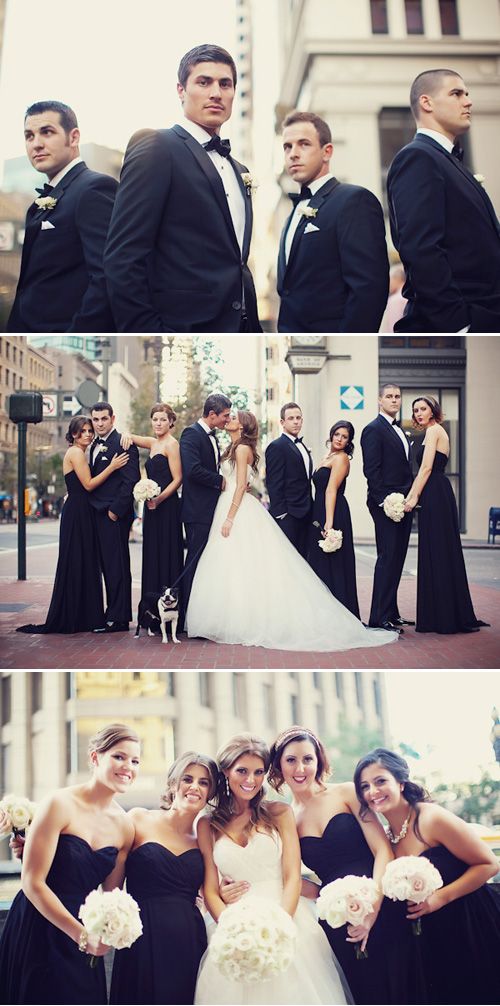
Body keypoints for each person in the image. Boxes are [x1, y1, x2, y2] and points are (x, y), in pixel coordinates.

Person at [187, 409, 398, 651]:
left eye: (233, 418)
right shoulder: (233, 448)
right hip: (238, 507)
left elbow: (246, 484)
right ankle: (227, 615)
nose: (229, 420)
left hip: (243, 510)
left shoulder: (244, 449)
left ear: (243, 426)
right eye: (292, 418)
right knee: (235, 564)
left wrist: (230, 517)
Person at [104, 43, 261, 332]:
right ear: (181, 90)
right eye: (204, 82)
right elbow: (123, 256)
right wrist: (149, 331)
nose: (216, 93)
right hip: (182, 328)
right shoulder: (157, 146)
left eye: (225, 84)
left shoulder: (241, 171)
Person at [194, 733, 350, 1005]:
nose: (250, 780)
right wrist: (231, 928)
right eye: (242, 771)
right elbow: (209, 888)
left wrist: (280, 925)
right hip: (233, 923)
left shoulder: (279, 813)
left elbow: (292, 877)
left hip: (287, 917)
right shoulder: (207, 824)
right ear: (226, 772)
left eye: (258, 772)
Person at [0, 723, 140, 1004]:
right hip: (38, 923)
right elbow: (32, 881)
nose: (128, 766)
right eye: (119, 756)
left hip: (84, 934)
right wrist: (81, 935)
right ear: (94, 757)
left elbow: (111, 897)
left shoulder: (125, 826)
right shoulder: (59, 803)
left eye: (135, 760)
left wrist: (104, 932)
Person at [267, 727, 405, 1005]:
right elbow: (291, 877)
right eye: (291, 760)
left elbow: (382, 851)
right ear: (279, 766)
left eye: (308, 758)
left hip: (382, 904)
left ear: (319, 760)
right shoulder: (286, 818)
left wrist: (371, 909)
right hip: (338, 919)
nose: (300, 768)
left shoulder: (346, 793)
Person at [354, 748, 500, 1005]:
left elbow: (489, 864)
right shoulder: (386, 836)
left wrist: (439, 898)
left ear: (400, 782)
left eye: (380, 781)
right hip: (433, 938)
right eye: (365, 786)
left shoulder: (430, 819)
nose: (372, 792)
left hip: (469, 922)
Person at [387, 68, 500, 333]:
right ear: (427, 103)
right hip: (459, 323)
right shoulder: (418, 158)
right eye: (456, 93)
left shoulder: (449, 161)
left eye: (467, 94)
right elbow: (421, 248)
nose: (468, 101)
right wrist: (459, 324)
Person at [110, 751, 218, 1005]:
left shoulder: (205, 837)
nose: (195, 787)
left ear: (211, 792)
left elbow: (213, 888)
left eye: (204, 782)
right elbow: (110, 883)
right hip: (140, 938)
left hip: (188, 940)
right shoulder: (138, 819)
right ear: (173, 784)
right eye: (188, 779)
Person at [7, 100, 117, 333]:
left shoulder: (94, 188)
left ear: (74, 137)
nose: (36, 144)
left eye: (47, 132)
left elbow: (107, 276)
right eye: (29, 136)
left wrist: (75, 333)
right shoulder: (46, 197)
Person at [277, 111, 389, 332]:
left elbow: (368, 289)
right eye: (287, 147)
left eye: (304, 144)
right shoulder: (292, 214)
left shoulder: (354, 201)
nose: (293, 154)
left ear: (327, 151)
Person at [16, 417, 129, 634]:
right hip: (77, 514)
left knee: (85, 562)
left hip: (82, 511)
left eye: (89, 430)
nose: (87, 434)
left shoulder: (82, 451)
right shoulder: (76, 453)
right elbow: (88, 485)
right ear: (74, 434)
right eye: (82, 431)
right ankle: (75, 616)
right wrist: (112, 467)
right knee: (77, 561)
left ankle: (84, 615)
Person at [403, 395, 489, 633]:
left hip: (435, 494)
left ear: (433, 410)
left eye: (423, 408)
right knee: (436, 551)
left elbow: (427, 468)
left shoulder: (433, 431)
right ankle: (440, 614)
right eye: (415, 410)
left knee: (438, 551)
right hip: (437, 493)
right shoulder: (433, 431)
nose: (419, 413)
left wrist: (412, 497)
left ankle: (443, 617)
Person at [360, 383, 414, 632]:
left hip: (404, 504)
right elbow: (371, 470)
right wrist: (385, 502)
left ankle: (391, 612)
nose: (394, 400)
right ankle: (378, 618)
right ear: (379, 400)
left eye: (398, 396)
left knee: (397, 559)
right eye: (389, 396)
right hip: (385, 504)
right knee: (387, 558)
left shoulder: (400, 430)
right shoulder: (373, 429)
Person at [120, 403, 183, 608]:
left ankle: (170, 608)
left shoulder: (172, 445)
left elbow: (178, 479)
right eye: (155, 419)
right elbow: (130, 437)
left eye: (163, 419)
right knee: (152, 554)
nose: (158, 423)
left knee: (165, 553)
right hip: (152, 508)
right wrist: (126, 435)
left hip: (167, 506)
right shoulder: (153, 443)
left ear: (171, 422)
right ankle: (151, 610)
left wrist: (159, 499)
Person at [89, 402, 140, 634]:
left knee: (117, 566)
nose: (99, 423)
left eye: (103, 419)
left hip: (113, 515)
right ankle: (107, 613)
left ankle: (119, 619)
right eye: (96, 419)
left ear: (112, 419)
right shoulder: (90, 445)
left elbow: (130, 481)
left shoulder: (124, 443)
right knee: (104, 566)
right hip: (94, 514)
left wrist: (115, 511)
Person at [179, 393, 231, 620]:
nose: (227, 420)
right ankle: (187, 615)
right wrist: (219, 481)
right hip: (197, 510)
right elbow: (192, 470)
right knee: (194, 561)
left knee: (205, 562)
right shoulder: (191, 434)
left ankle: (200, 613)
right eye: (225, 416)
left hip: (210, 509)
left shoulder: (213, 436)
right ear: (212, 415)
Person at [307, 422, 360, 618]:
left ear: (348, 441)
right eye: (337, 434)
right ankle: (322, 612)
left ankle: (339, 614)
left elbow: (331, 490)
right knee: (320, 561)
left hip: (334, 512)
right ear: (331, 435)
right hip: (320, 510)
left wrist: (329, 523)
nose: (339, 438)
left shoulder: (341, 458)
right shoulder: (327, 457)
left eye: (344, 436)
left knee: (334, 561)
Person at [265, 402, 313, 559]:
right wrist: (282, 514)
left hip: (306, 514)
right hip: (289, 516)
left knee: (304, 561)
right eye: (291, 418)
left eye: (298, 418)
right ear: (282, 422)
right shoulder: (276, 447)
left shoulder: (303, 446)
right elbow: (274, 483)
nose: (296, 421)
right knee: (289, 561)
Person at [380, 263, 407, 333]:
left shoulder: (395, 300)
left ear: (397, 279)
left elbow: (393, 326)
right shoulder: (410, 297)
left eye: (390, 279)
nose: (389, 283)